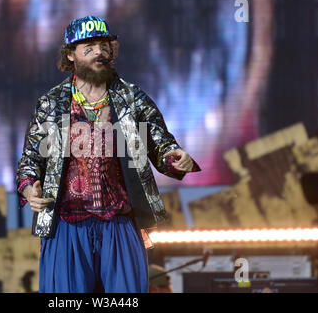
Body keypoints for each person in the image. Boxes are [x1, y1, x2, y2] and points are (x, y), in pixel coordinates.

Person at [16, 15, 201, 293]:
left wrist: (175, 155)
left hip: (120, 220)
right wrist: (30, 189)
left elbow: (161, 143)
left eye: (103, 45)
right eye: (88, 48)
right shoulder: (51, 104)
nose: (99, 53)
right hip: (66, 223)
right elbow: (30, 161)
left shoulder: (132, 97)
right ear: (70, 54)